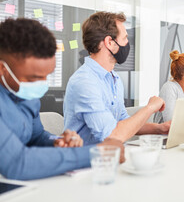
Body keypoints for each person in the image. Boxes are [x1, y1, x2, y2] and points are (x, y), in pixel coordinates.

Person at [0, 18, 125, 180]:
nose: (41, 85)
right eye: (33, 78)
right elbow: (17, 163)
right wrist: (97, 153)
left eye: (46, 76)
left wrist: (57, 142)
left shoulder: (26, 96)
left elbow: (36, 137)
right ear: (3, 69)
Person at [63, 12, 170, 145]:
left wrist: (160, 128)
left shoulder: (114, 78)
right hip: (87, 161)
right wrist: (149, 108)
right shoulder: (84, 82)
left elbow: (121, 121)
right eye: (125, 38)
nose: (127, 43)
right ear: (109, 42)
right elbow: (111, 135)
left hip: (111, 157)